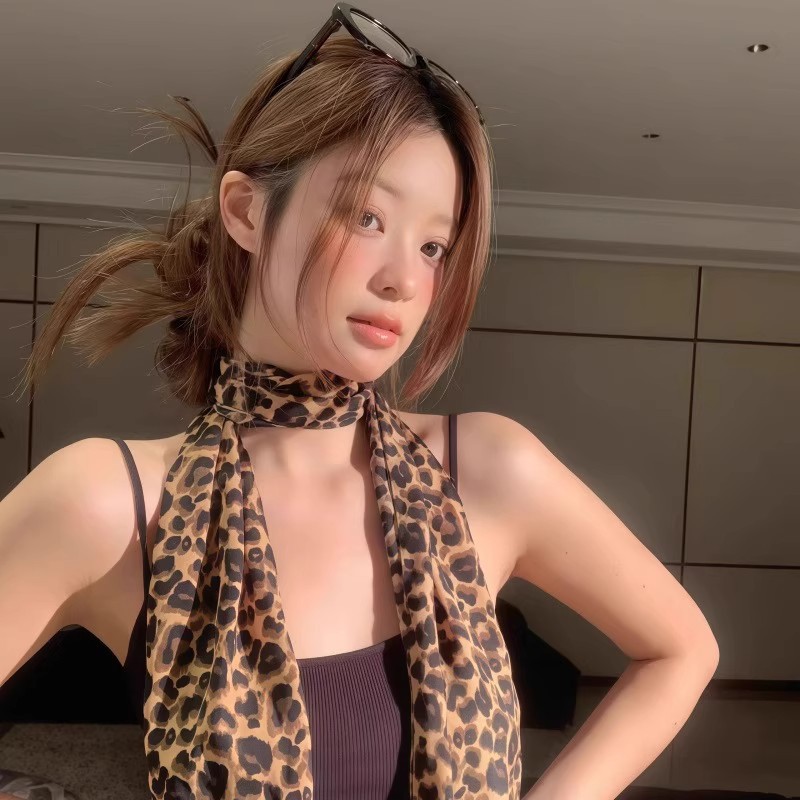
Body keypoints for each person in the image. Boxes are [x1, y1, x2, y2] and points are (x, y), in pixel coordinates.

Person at [0, 5, 720, 800]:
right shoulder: (110, 504)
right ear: (245, 210)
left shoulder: (486, 471)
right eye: (367, 216)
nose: (405, 279)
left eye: (433, 245)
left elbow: (682, 650)